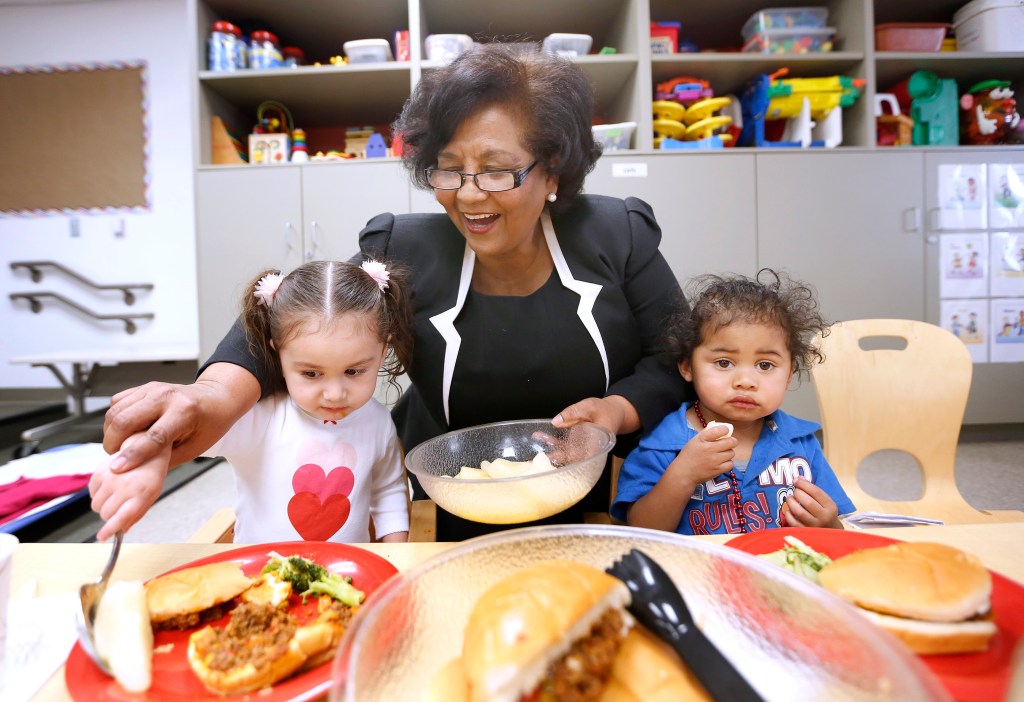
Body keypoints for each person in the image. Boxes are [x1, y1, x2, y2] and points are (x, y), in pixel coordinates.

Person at [101, 43, 691, 540]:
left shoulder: (617, 235)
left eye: (495, 169)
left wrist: (614, 412)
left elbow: (674, 359)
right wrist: (209, 401)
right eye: (448, 167)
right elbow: (298, 315)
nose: (468, 194)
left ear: (553, 171)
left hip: (600, 489)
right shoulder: (408, 249)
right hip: (451, 492)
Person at [91, 259, 413, 544]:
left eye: (353, 371)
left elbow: (387, 492)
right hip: (257, 583)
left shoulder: (377, 422)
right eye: (312, 374)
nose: (334, 393)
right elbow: (183, 433)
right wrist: (147, 462)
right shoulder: (260, 419)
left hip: (347, 580)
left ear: (383, 352)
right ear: (278, 354)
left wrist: (395, 558)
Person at [612, 269, 855, 535]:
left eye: (765, 365)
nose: (745, 381)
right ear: (687, 366)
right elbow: (641, 532)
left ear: (789, 374)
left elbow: (835, 527)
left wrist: (829, 524)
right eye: (724, 363)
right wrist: (683, 474)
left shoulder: (802, 442)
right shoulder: (662, 444)